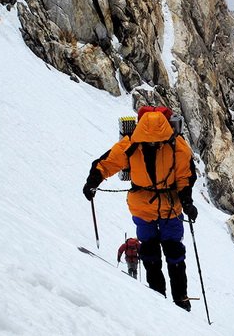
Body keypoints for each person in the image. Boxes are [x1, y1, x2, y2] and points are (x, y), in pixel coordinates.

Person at [83, 106, 198, 311]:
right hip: (153, 207)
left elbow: (184, 177)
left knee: (166, 251)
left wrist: (187, 201)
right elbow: (107, 164)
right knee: (158, 251)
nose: (153, 143)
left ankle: (173, 298)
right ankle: (166, 298)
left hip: (160, 207)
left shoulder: (139, 144)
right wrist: (94, 179)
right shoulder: (169, 145)